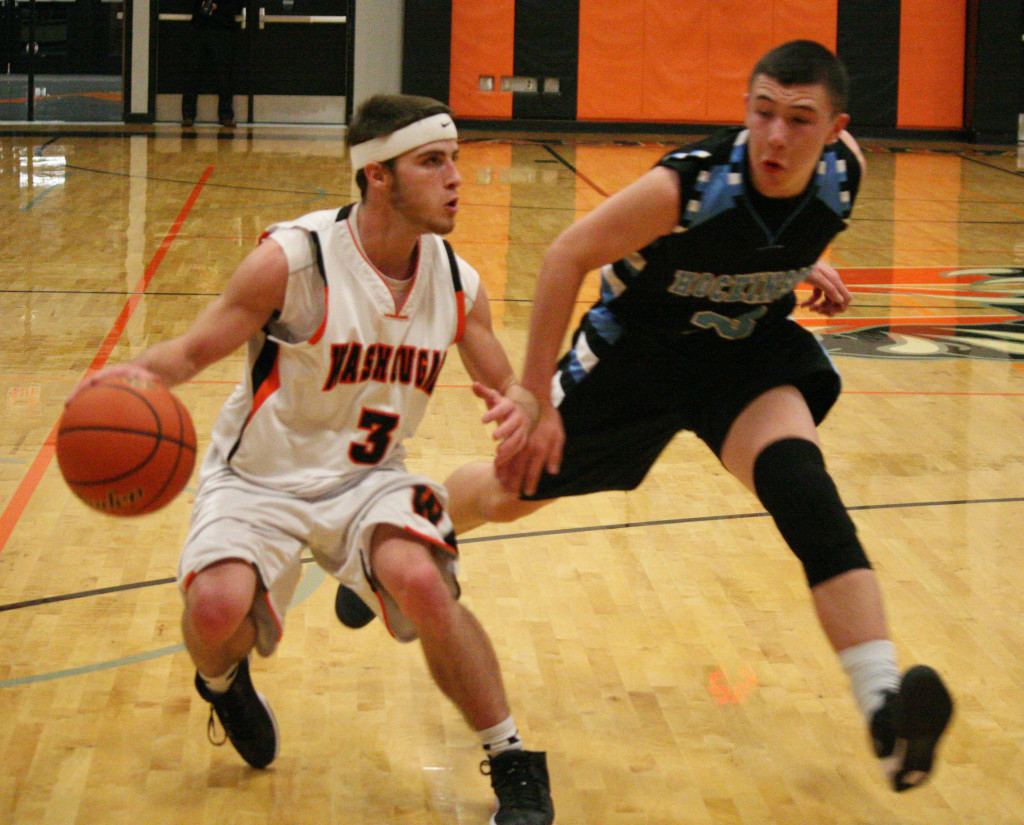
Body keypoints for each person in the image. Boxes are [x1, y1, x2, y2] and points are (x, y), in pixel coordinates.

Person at [442, 40, 954, 794]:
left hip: (742, 355)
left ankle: (883, 713)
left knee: (803, 490)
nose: (777, 136)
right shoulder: (691, 184)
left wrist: (796, 259)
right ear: (746, 108)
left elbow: (778, 224)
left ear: (835, 127)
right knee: (508, 494)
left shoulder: (846, 173)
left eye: (799, 120)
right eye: (763, 113)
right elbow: (565, 255)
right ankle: (409, 524)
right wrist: (534, 396)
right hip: (637, 358)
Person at [69, 94, 554, 825]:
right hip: (259, 479)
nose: (457, 177)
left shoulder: (456, 281)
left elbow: (504, 383)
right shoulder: (294, 261)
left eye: (455, 158)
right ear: (378, 177)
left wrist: (525, 409)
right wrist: (115, 384)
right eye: (433, 161)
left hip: (370, 481)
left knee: (422, 578)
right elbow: (194, 350)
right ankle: (224, 680)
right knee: (214, 607)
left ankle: (513, 756)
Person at [181, 0, 243, 128]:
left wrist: (219, 7)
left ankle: (226, 115)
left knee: (224, 74)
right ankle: (188, 115)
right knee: (192, 71)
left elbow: (238, 5)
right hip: (199, 28)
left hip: (223, 29)